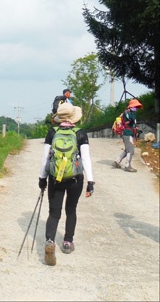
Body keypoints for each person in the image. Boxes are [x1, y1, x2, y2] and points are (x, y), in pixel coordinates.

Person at [39, 102, 95, 266]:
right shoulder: (80, 133)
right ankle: (67, 242)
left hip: (55, 177)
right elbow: (85, 159)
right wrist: (90, 181)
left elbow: (45, 158)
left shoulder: (52, 132)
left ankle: (50, 241)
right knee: (71, 209)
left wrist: (42, 178)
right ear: (73, 117)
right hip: (75, 178)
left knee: (54, 212)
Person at [113, 98, 143, 172]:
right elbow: (132, 119)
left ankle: (117, 161)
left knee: (127, 149)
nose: (136, 109)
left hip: (127, 133)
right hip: (127, 133)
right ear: (132, 107)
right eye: (135, 107)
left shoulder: (128, 113)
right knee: (131, 150)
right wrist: (134, 112)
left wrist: (135, 128)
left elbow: (131, 123)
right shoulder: (128, 113)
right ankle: (127, 166)